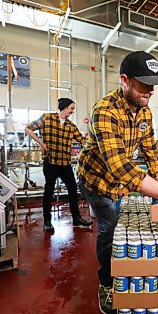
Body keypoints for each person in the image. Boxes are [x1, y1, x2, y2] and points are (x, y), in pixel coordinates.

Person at [77, 51, 158, 314]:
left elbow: (153, 157)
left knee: (126, 220)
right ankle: (107, 283)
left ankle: (128, 270)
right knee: (110, 227)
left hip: (121, 181)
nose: (150, 91)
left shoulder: (145, 113)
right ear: (125, 80)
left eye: (153, 85)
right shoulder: (104, 111)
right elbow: (120, 166)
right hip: (97, 181)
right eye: (144, 84)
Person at [25, 98, 92, 231]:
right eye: (71, 108)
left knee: (73, 189)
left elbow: (83, 141)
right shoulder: (47, 118)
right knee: (48, 192)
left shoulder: (71, 126)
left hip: (65, 164)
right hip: (51, 162)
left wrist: (95, 137)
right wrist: (41, 143)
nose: (72, 111)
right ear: (64, 107)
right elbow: (28, 129)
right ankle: (47, 221)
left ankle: (76, 218)